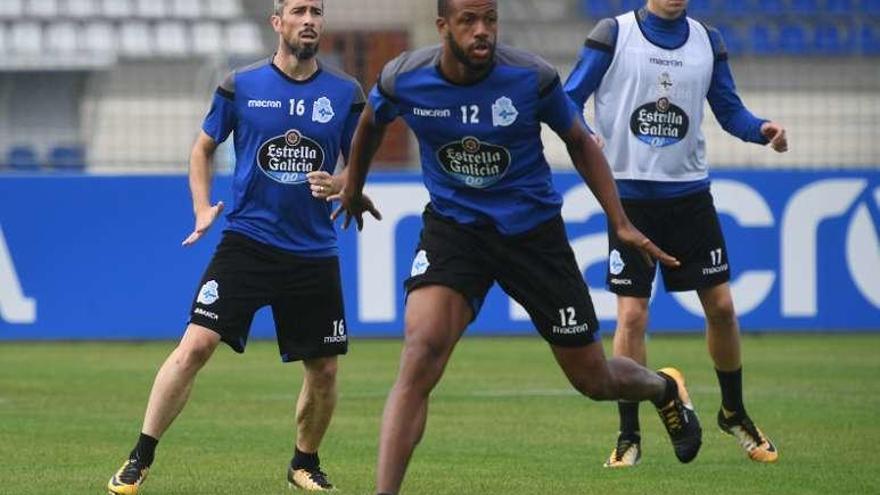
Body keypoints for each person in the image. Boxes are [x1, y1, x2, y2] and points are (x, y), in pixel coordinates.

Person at [329, 1, 704, 493]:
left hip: (533, 235)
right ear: (443, 26)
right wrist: (353, 186)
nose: (482, 31)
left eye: (490, 20)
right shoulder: (404, 78)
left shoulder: (531, 77)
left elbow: (580, 141)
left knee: (593, 380)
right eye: (468, 21)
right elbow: (371, 125)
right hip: (455, 230)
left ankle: (663, 388)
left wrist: (621, 221)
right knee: (419, 353)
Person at [106, 1, 376, 492]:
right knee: (195, 345)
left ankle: (304, 464)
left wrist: (344, 185)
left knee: (325, 370)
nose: (310, 18)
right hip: (247, 242)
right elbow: (202, 147)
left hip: (312, 252)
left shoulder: (345, 93)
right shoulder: (242, 85)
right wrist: (201, 206)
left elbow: (357, 163)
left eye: (317, 9)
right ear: (278, 22)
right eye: (299, 10)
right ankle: (138, 457)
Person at [564, 0, 787, 468]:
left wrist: (761, 129)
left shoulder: (708, 41)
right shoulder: (613, 33)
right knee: (632, 317)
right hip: (628, 198)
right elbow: (569, 98)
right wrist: (584, 132)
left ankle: (734, 412)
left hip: (689, 197)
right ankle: (629, 435)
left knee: (723, 307)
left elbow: (729, 112)